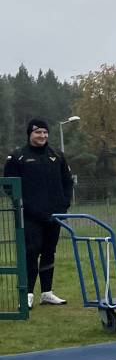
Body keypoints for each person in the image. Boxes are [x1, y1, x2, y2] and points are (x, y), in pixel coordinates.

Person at [4, 119, 74, 307]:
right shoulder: (17, 157)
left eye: (45, 132)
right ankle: (27, 293)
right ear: (30, 134)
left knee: (49, 252)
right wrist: (26, 206)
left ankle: (47, 292)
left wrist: (64, 204)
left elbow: (67, 182)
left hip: (55, 215)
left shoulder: (57, 155)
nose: (42, 136)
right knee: (31, 251)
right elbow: (9, 186)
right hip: (30, 216)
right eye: (38, 132)